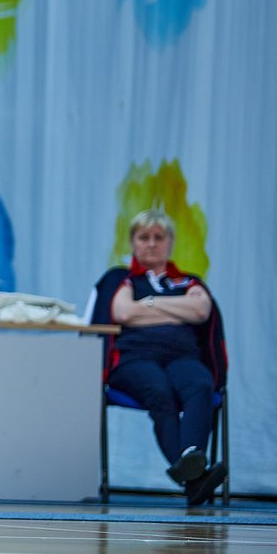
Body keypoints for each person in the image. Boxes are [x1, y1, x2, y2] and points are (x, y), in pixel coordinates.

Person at [95, 209, 228, 506]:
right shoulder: (122, 279)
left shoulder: (189, 282)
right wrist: (178, 311)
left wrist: (149, 304)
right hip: (134, 359)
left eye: (159, 237)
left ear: (170, 242)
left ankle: (191, 467)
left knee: (200, 384)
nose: (152, 244)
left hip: (182, 357)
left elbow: (201, 311)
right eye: (144, 237)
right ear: (133, 242)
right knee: (159, 391)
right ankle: (195, 476)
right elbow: (123, 313)